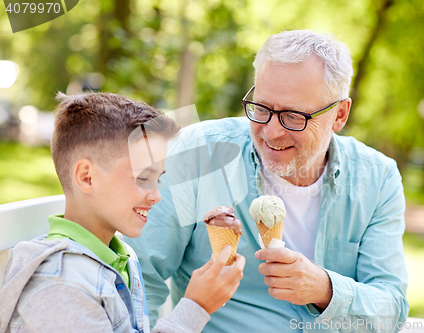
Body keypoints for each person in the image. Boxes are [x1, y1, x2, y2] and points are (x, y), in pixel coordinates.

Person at [126, 30, 409, 332]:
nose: (271, 132)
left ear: (339, 114)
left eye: (293, 116)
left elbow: (391, 308)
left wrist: (325, 289)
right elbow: (140, 279)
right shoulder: (199, 153)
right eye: (261, 108)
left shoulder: (378, 178)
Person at [0, 92, 245, 333]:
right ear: (87, 177)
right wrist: (196, 307)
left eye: (158, 179)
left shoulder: (121, 254)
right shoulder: (60, 285)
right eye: (142, 177)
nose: (157, 195)